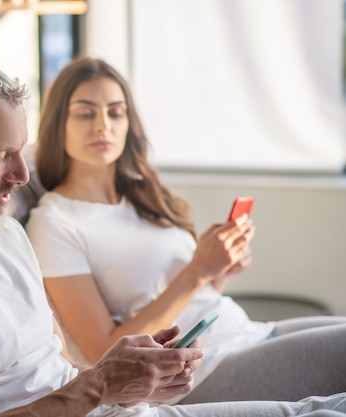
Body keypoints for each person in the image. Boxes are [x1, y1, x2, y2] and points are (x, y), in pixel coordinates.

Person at [0, 51, 346, 417]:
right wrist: (100, 387)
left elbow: (59, 362)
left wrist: (133, 383)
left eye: (21, 152)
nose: (23, 177)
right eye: (0, 155)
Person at [24, 55, 346, 406]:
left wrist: (218, 273)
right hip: (203, 369)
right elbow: (103, 352)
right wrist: (197, 272)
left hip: (243, 331)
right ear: (58, 124)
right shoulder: (54, 223)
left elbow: (190, 298)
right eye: (85, 113)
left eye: (115, 112)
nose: (103, 125)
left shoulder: (143, 198)